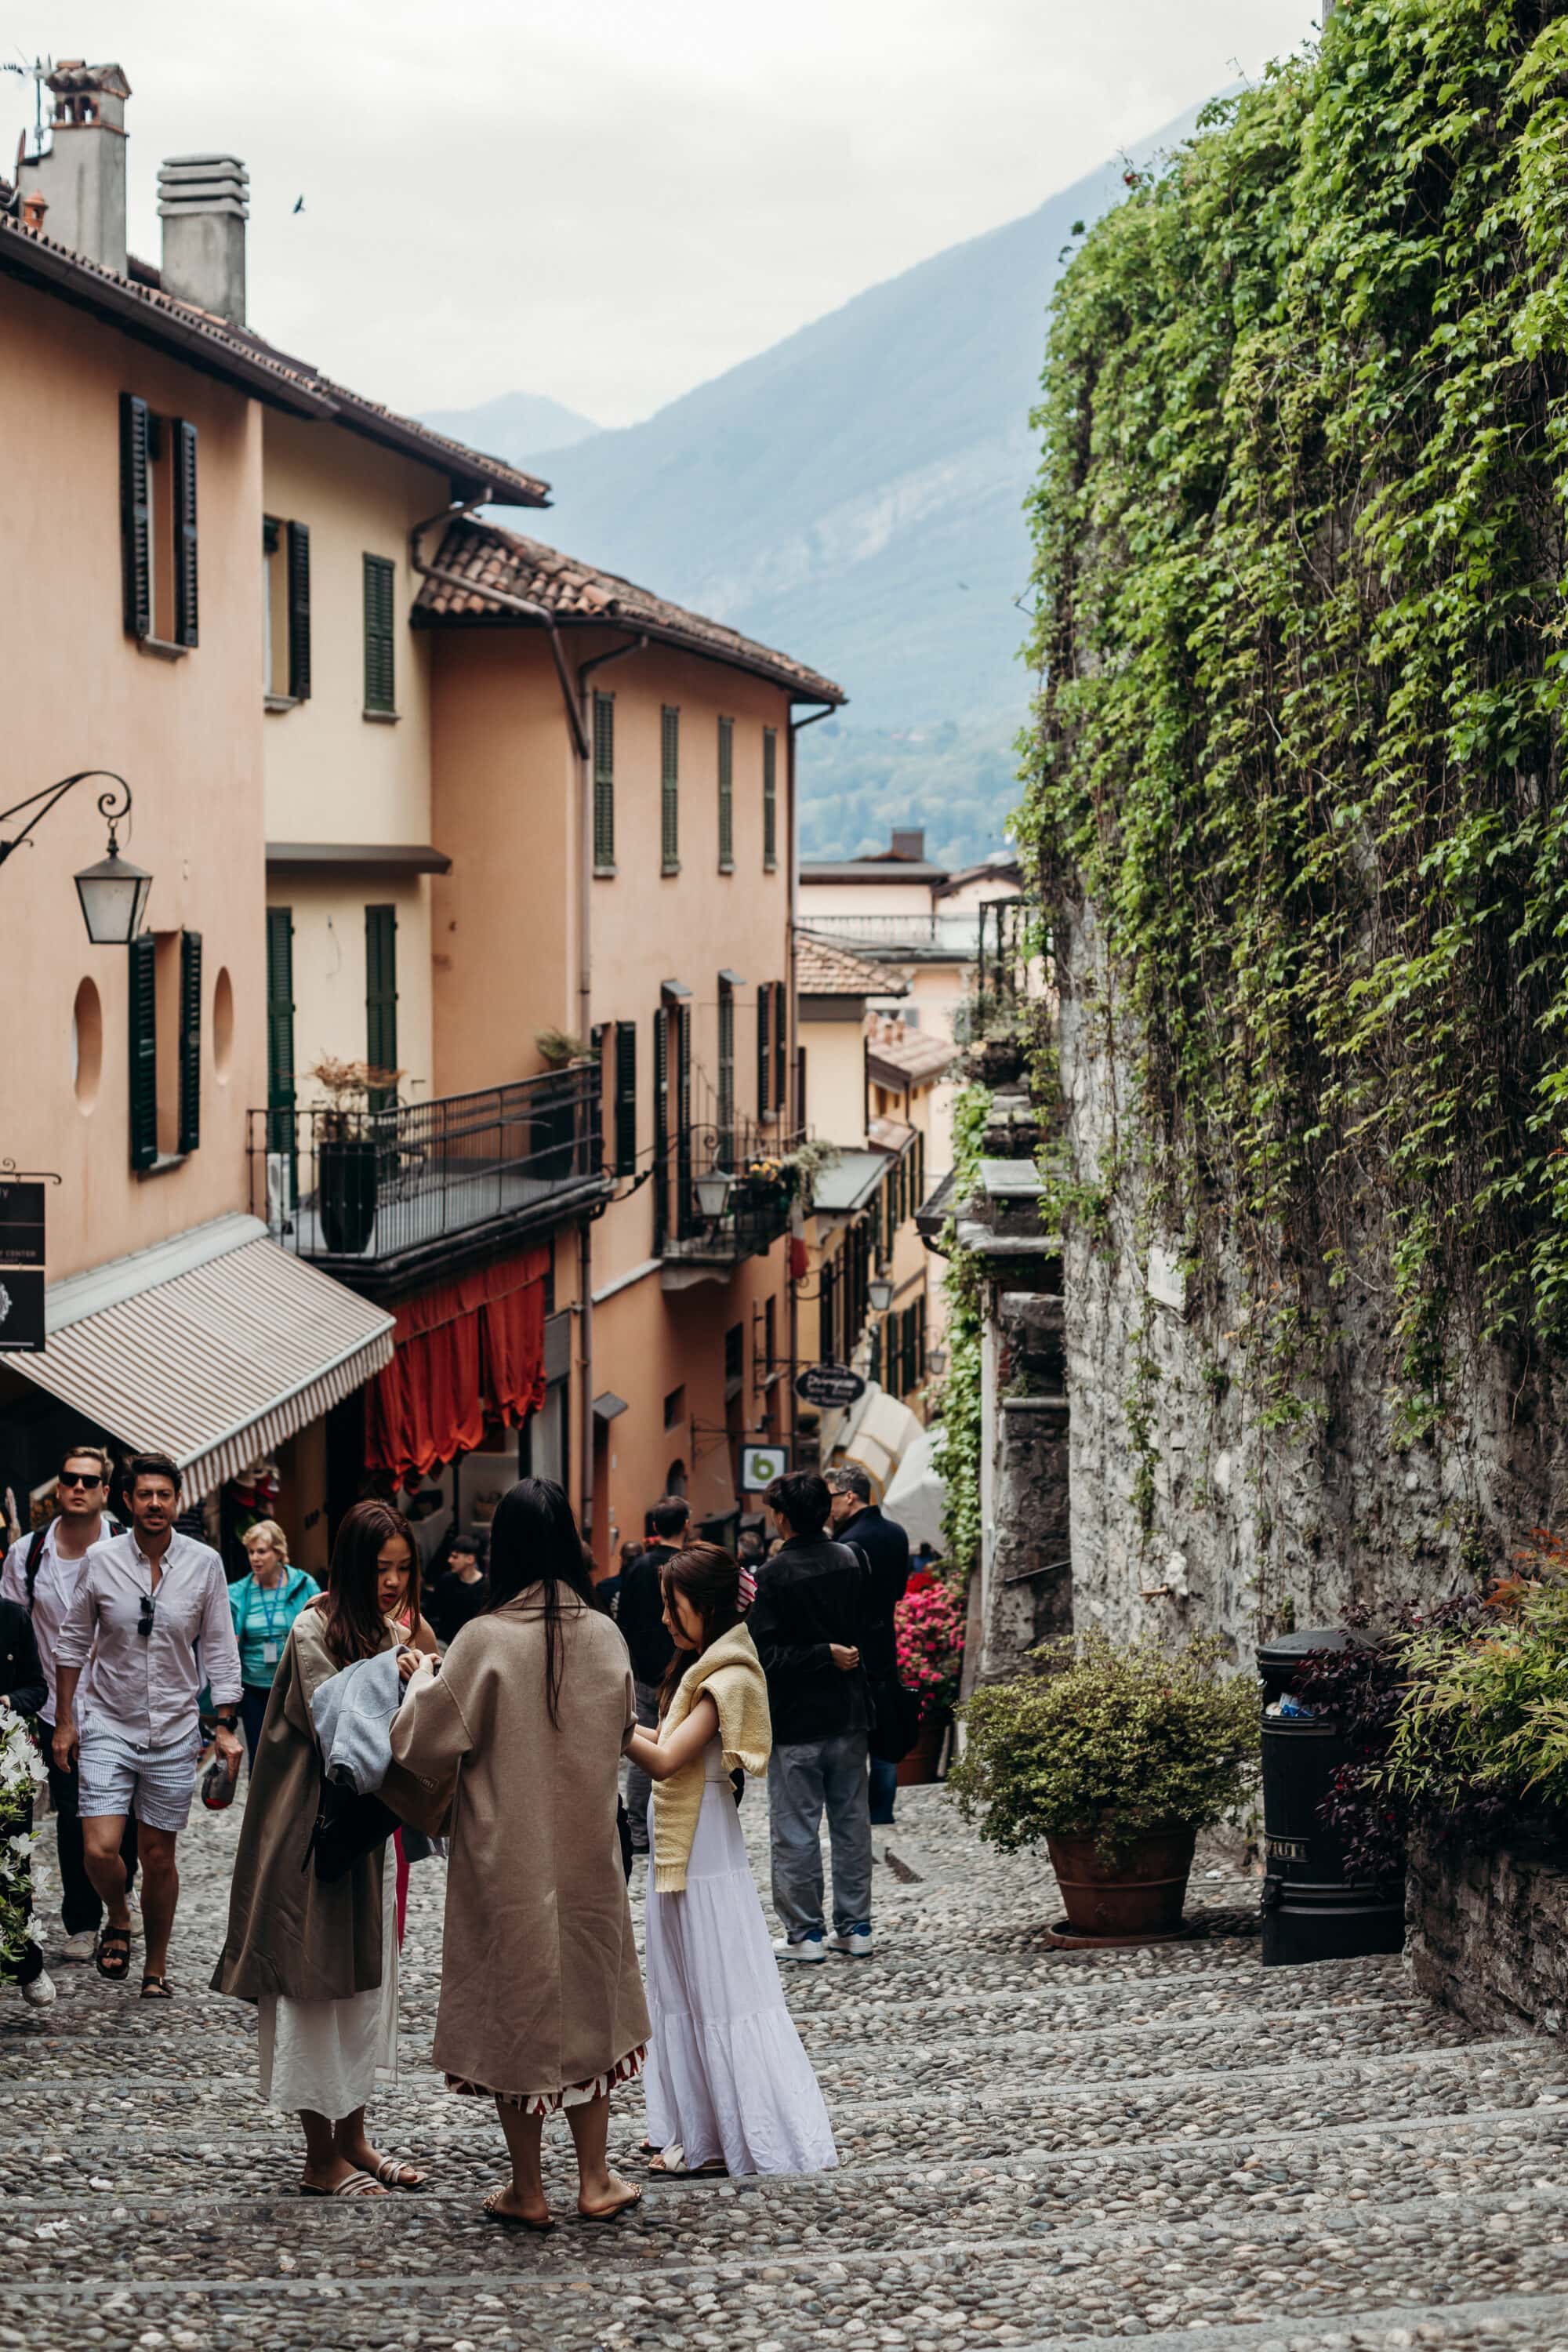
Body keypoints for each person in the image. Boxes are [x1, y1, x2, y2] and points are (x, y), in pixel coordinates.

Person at [392, 1478, 648, 2230]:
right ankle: (596, 2177)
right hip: (588, 1854)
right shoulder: (605, 1634)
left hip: (507, 1855)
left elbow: (422, 1743)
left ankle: (527, 2188)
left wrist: (423, 1679)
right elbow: (618, 1731)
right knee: (590, 2005)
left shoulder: (483, 1639)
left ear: (502, 1546)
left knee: (517, 2008)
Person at [212, 1499, 430, 2198]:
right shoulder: (314, 1626)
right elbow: (340, 1717)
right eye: (379, 1569)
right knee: (313, 1984)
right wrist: (401, 1673)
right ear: (349, 1568)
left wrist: (422, 1664)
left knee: (364, 1984)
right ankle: (319, 2156)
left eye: (402, 1569)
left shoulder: (399, 1626)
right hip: (313, 1837)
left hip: (366, 1837)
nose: (392, 1583)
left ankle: (355, 2139)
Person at [626, 1541, 837, 2178]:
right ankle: (700, 2126)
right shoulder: (704, 1668)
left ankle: (724, 2135)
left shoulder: (727, 1678)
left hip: (705, 1855)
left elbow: (665, 1759)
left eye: (674, 1605)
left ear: (708, 1606)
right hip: (689, 1849)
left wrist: (603, 1717)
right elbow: (661, 1742)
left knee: (718, 1992)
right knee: (687, 1991)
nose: (665, 1618)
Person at [53, 1454, 243, 1998]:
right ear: (128, 1501)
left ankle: (154, 1970)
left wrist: (224, 1722)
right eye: (145, 1495)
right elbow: (71, 1644)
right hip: (108, 1720)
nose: (155, 1504)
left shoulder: (204, 1564)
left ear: (176, 1502)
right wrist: (65, 1720)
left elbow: (220, 1648)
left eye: (165, 1495)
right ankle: (118, 1913)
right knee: (99, 1848)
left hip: (176, 1728)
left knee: (159, 1855)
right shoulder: (100, 1559)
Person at [0, 1445, 140, 1962]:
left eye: (89, 1481)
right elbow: (13, 1628)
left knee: (120, 1818)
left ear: (106, 1493)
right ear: (57, 1488)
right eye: (68, 1479)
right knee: (73, 1813)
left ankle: (117, 1893)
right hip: (51, 1708)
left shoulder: (127, 1547)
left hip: (118, 1705)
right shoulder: (28, 1554)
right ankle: (82, 1922)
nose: (78, 1487)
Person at [749, 1470, 875, 1963]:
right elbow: (866, 1633)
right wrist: (833, 1654)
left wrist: (819, 1653)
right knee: (851, 1824)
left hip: (796, 1721)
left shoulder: (771, 1576)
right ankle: (856, 1925)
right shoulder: (852, 1560)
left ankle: (805, 1934)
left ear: (782, 1518)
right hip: (848, 1713)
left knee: (796, 1828)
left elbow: (764, 1654)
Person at [827, 1467, 912, 1828]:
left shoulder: (846, 1544)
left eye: (831, 1497)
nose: (827, 1507)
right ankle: (882, 1812)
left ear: (850, 1496)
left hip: (852, 1648)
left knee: (853, 1735)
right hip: (885, 1642)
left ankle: (856, 1814)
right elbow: (899, 1591)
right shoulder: (896, 1533)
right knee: (885, 1729)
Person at [617, 1496, 689, 1857]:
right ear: (686, 1524)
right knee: (686, 1748)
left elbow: (624, 1621)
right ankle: (675, 1825)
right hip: (683, 1666)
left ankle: (638, 1830)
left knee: (643, 1748)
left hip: (645, 1669)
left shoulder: (637, 1567)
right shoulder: (687, 1567)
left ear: (655, 1528)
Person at [228, 1521, 321, 1767]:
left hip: (293, 1685)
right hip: (254, 1687)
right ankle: (260, 1805)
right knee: (260, 1757)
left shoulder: (304, 1585)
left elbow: (323, 1628)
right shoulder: (238, 1593)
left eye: (262, 1551)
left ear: (278, 1552)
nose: (255, 1558)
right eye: (251, 1552)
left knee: (295, 1756)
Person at [0, 1591, 53, 2006]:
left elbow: (37, 1688)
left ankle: (26, 1967)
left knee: (12, 1867)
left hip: (5, 1763)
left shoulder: (12, 1616)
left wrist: (9, 1701)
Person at [426, 1532, 489, 1646]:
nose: (449, 1560)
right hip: (445, 1642)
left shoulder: (485, 1587)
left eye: (455, 1557)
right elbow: (432, 1612)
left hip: (473, 1644)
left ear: (470, 1559)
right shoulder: (446, 1581)